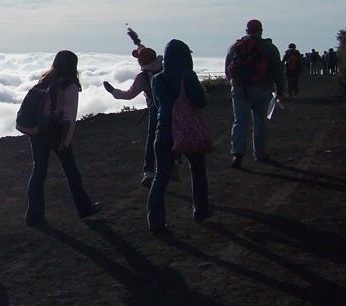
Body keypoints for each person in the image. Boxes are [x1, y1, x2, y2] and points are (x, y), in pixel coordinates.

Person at [17, 50, 102, 226]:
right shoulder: (70, 85)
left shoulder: (44, 80)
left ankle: (33, 214)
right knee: (71, 170)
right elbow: (69, 117)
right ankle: (84, 208)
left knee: (39, 170)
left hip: (36, 131)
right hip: (55, 132)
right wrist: (65, 141)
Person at [147, 39, 212, 234]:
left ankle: (155, 221)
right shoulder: (187, 75)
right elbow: (200, 102)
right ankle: (200, 210)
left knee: (161, 176)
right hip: (187, 129)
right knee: (198, 170)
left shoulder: (156, 79)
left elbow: (159, 106)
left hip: (165, 129)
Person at [224, 19, 286, 168]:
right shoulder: (269, 47)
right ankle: (260, 153)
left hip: (239, 89)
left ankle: (237, 154)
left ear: (246, 31)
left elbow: (227, 68)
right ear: (261, 31)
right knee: (259, 121)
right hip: (261, 89)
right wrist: (280, 90)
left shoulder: (235, 46)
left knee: (239, 121)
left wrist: (233, 84)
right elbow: (278, 71)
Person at [103, 45, 162, 187]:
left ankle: (148, 172)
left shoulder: (142, 77)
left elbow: (128, 95)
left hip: (155, 109)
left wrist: (113, 91)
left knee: (152, 139)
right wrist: (139, 43)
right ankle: (174, 163)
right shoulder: (163, 67)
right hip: (171, 106)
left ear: (141, 62)